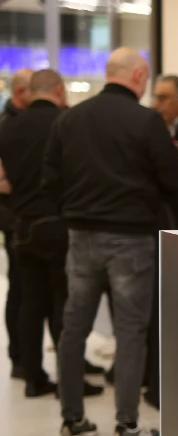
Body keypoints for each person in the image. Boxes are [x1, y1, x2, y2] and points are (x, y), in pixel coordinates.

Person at [42, 47, 178, 436]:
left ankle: (72, 422)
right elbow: (172, 180)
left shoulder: (68, 119)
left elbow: (48, 179)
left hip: (81, 236)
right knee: (131, 330)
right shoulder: (146, 121)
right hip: (131, 238)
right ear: (139, 75)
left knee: (73, 330)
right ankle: (126, 427)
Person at [0, 69, 108, 399]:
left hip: (24, 226)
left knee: (30, 304)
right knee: (65, 305)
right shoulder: (67, 123)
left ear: (29, 92)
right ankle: (69, 382)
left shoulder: (9, 127)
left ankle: (33, 377)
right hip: (60, 224)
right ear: (59, 90)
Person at [0, 68, 32, 378]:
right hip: (16, 220)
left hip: (25, 218)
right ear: (22, 93)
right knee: (21, 291)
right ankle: (19, 358)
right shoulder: (8, 126)